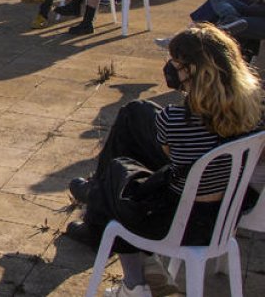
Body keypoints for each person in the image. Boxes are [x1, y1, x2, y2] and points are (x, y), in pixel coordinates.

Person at [64, 24, 263, 297]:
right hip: (225, 215)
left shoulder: (175, 119)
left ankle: (134, 281)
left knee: (118, 175)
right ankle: (101, 207)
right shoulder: (254, 113)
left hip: (177, 222)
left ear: (193, 71)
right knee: (135, 119)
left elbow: (169, 156)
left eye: (177, 65)